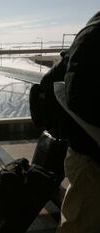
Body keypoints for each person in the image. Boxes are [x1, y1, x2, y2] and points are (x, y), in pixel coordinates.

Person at [56, 11, 100, 233]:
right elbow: (80, 99)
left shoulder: (91, 35)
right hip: (90, 156)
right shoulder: (94, 37)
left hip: (88, 152)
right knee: (80, 224)